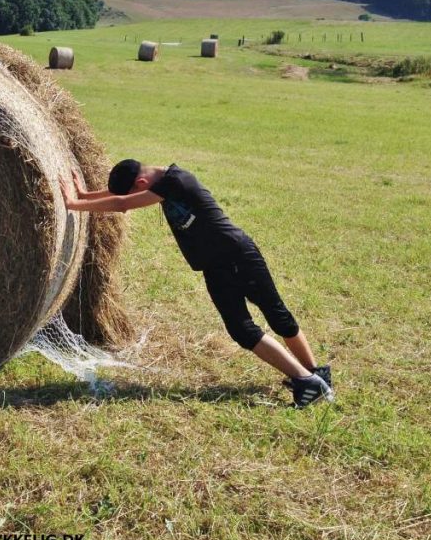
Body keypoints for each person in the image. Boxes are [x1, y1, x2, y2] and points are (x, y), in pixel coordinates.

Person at [60, 160, 333, 408]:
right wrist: (84, 195)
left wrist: (73, 204)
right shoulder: (161, 181)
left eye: (136, 192)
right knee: (242, 330)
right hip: (215, 265)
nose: (135, 200)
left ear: (141, 183)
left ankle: (310, 378)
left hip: (238, 255)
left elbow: (122, 203)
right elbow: (121, 197)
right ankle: (311, 379)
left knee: (275, 316)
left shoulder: (176, 181)